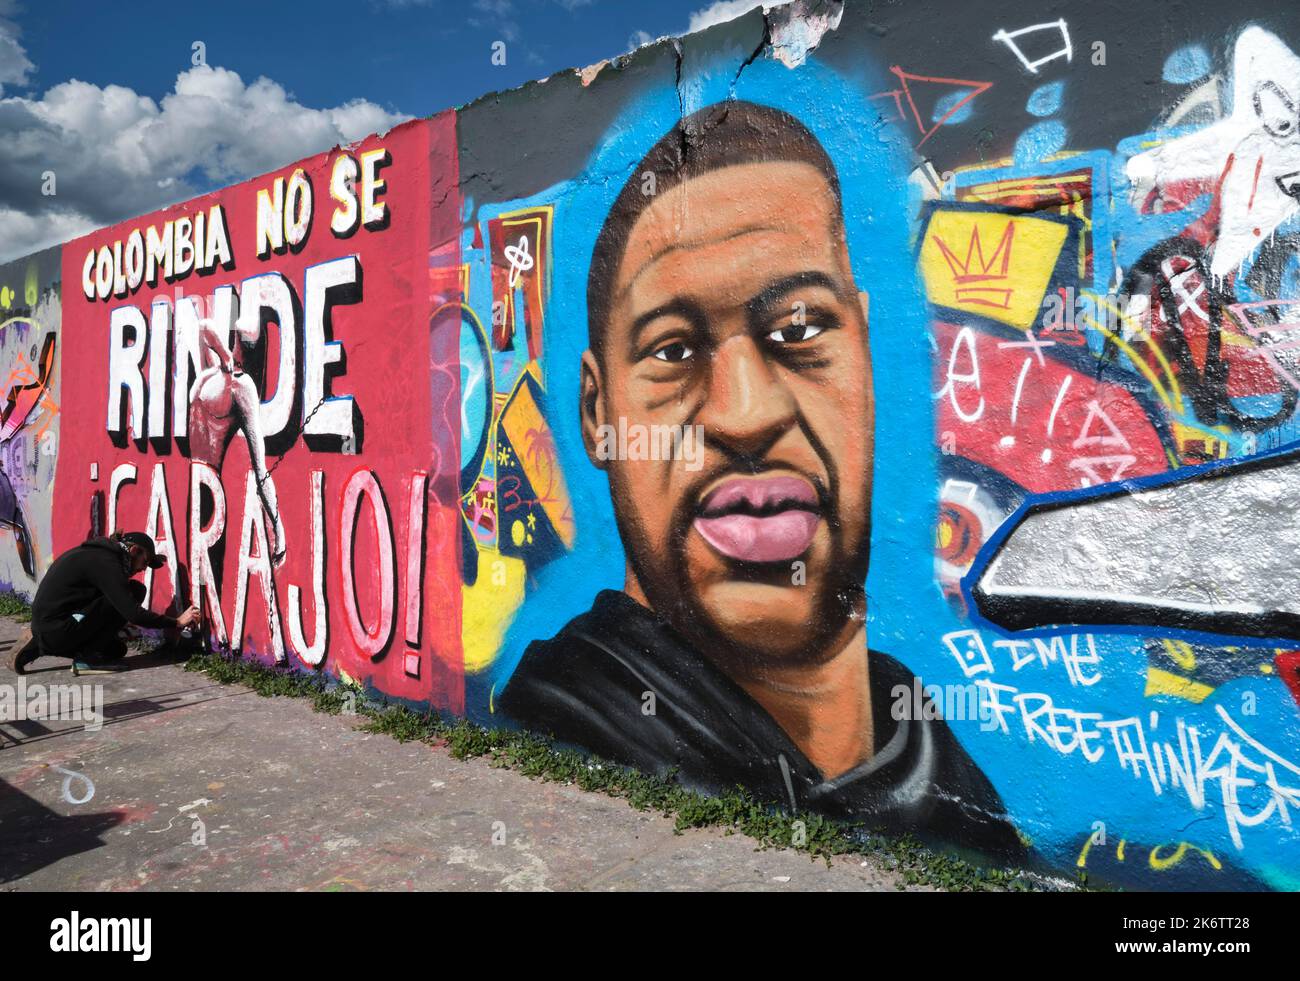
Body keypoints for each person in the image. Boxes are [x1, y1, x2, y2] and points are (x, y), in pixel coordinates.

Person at [500, 101, 1025, 861]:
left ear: (866, 352)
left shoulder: (929, 756)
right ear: (596, 412)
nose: (745, 415)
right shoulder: (563, 726)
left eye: (802, 328)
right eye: (673, 350)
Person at [7, 531, 200, 675]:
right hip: (61, 627)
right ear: (134, 550)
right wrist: (176, 622)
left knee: (115, 650)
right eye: (144, 562)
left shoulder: (97, 555)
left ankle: (36, 645)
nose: (142, 569)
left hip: (55, 625)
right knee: (135, 591)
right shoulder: (106, 563)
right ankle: (86, 659)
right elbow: (132, 612)